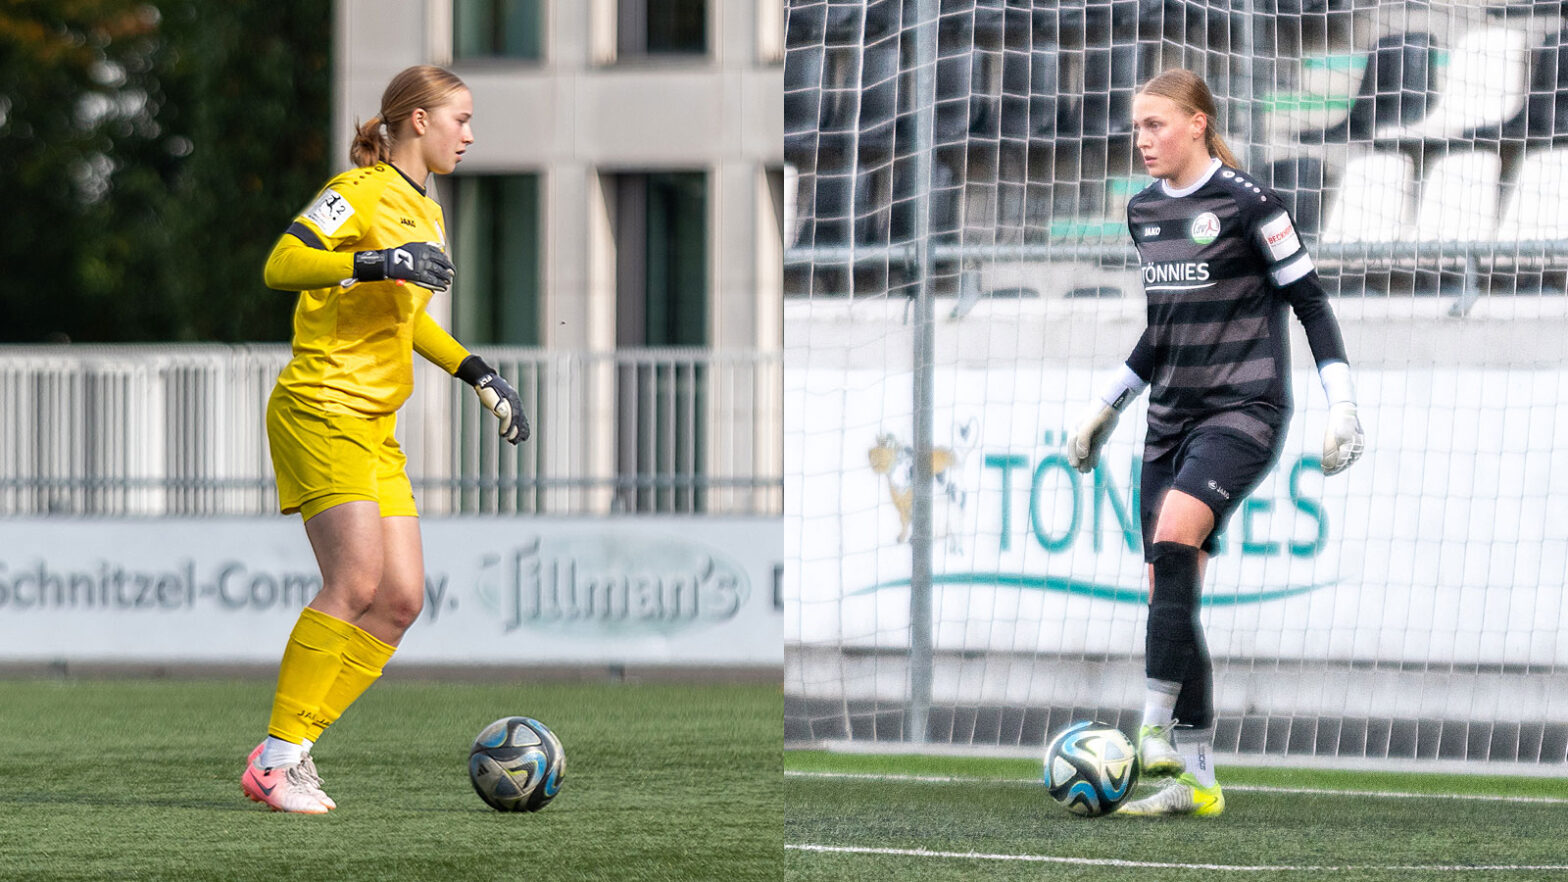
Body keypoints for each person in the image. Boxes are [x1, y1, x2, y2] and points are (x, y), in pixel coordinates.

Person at [1065, 69, 1364, 817]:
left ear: (1197, 124)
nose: (1141, 140)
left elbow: (1310, 303)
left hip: (1245, 409)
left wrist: (1344, 406)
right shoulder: (1140, 212)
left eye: (1155, 125)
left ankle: (1153, 727)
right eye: (1136, 128)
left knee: (1173, 540)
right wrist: (1105, 407)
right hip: (1168, 418)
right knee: (1170, 584)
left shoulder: (1250, 204)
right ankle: (1196, 782)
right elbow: (1163, 329)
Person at [241, 65, 529, 813]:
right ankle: (276, 760)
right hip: (321, 406)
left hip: (374, 424)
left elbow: (410, 321)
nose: (470, 134)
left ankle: (290, 751)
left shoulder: (426, 213)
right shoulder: (360, 190)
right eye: (459, 118)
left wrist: (479, 373)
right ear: (417, 120)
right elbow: (283, 263)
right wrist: (376, 260)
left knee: (400, 599)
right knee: (355, 582)